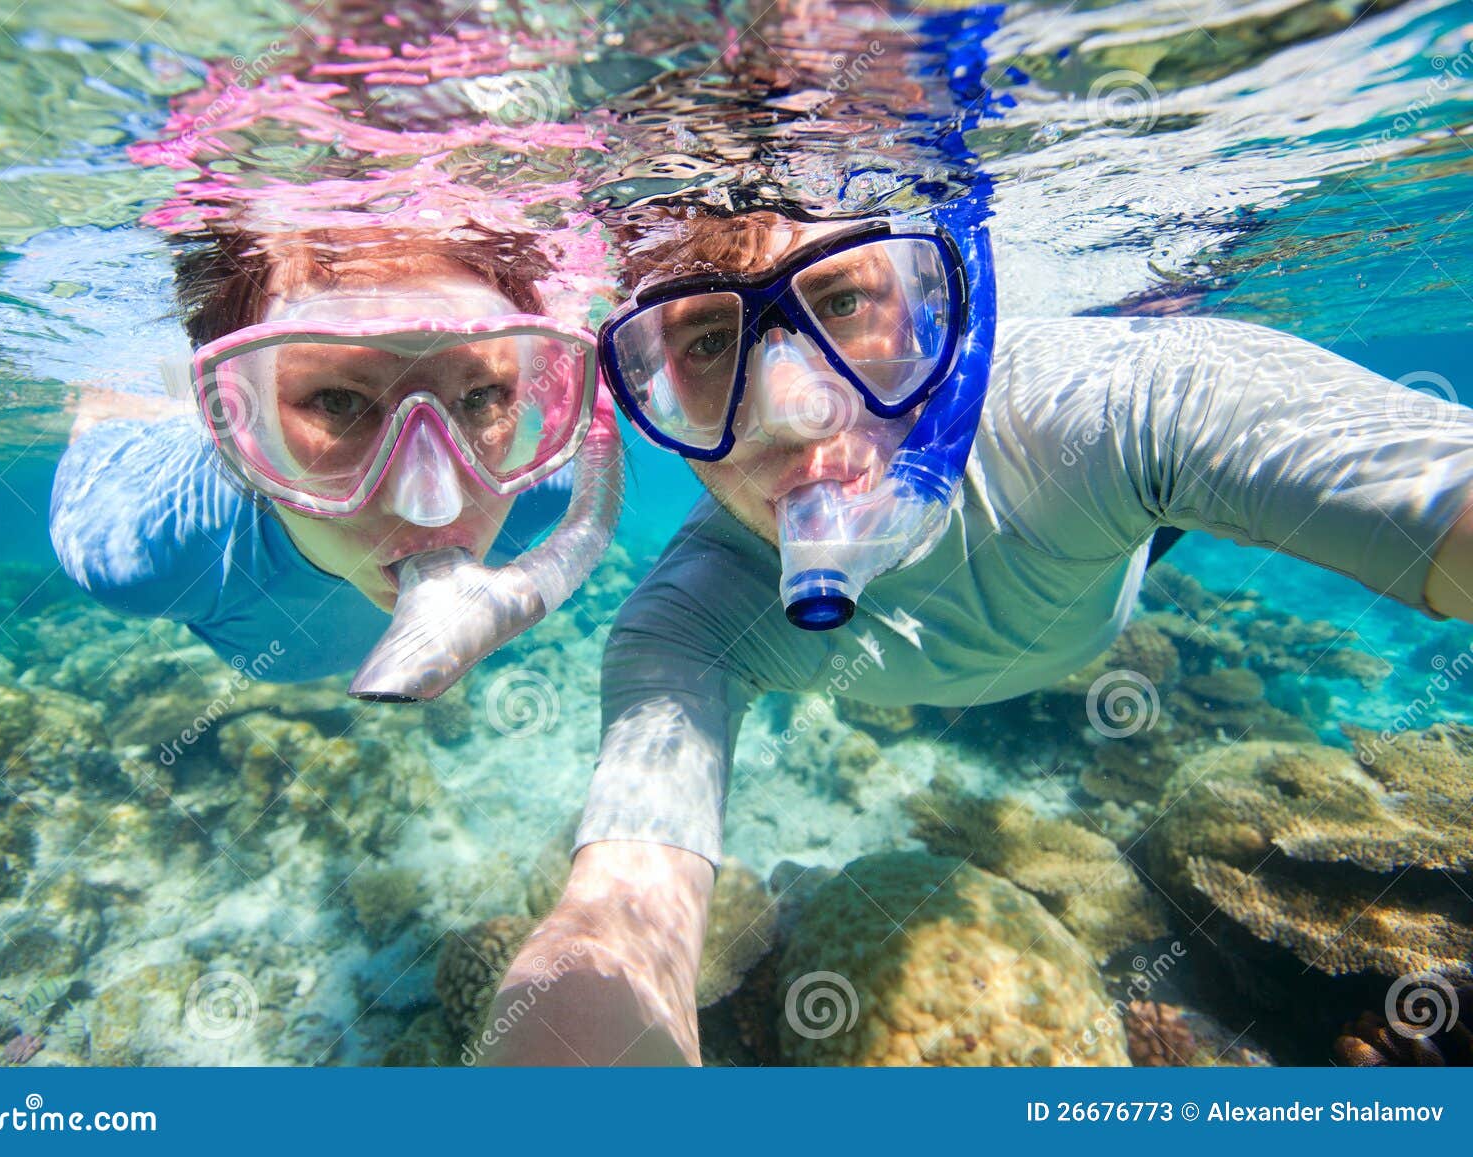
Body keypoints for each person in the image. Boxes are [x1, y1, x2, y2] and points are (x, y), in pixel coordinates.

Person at [484, 204, 1473, 1065]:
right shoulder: (684, 624)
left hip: (1116, 536)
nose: (791, 409)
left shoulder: (1108, 408)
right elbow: (612, 931)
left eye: (840, 302)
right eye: (703, 341)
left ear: (929, 304)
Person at [50, 220, 620, 699]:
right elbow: (98, 438)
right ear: (230, 415)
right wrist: (104, 409)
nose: (433, 506)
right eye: (340, 402)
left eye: (482, 396)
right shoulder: (151, 553)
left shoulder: (540, 486)